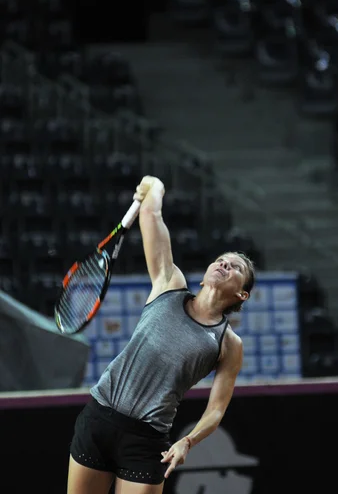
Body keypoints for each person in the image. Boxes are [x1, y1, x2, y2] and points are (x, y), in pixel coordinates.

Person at [67, 175, 255, 494]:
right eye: (222, 260)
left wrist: (188, 441)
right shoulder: (169, 283)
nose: (225, 264)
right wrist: (155, 186)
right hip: (100, 418)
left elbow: (216, 409)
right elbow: (152, 215)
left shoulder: (228, 344)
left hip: (147, 439)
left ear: (242, 295)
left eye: (235, 268)